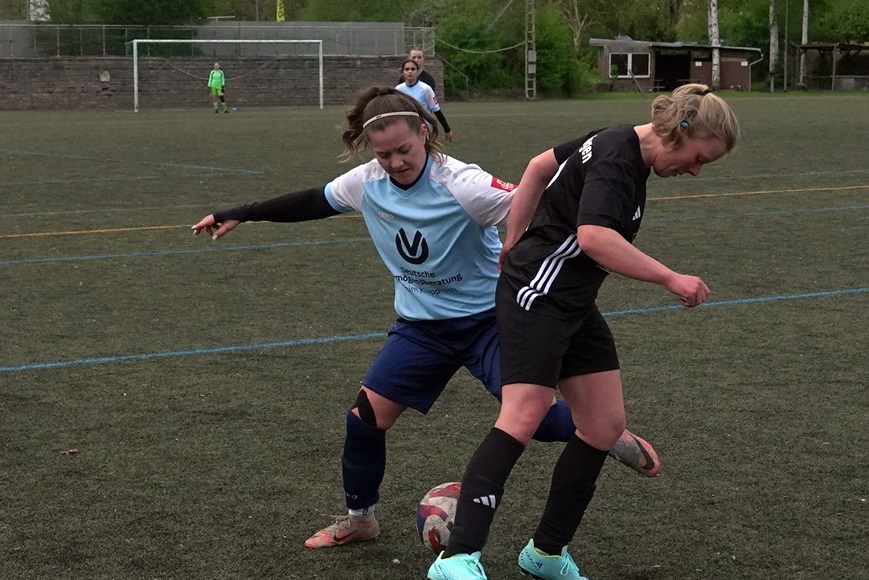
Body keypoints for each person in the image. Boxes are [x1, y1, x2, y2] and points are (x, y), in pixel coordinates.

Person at [190, 86, 661, 551]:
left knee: (532, 417)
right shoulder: (364, 183)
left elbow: (535, 201)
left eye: (404, 150)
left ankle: (604, 432)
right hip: (421, 329)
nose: (395, 162)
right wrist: (242, 213)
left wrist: (557, 234)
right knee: (364, 420)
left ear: (424, 132)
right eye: (383, 154)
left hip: (491, 321)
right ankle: (360, 520)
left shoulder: (463, 183)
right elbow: (311, 202)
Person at [426, 83, 741, 580]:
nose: (695, 171)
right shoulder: (617, 154)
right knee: (524, 412)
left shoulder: (620, 143)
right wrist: (670, 277)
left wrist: (512, 239)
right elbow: (595, 237)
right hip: (538, 293)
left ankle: (547, 552)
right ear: (680, 132)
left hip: (572, 299)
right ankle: (458, 556)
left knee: (603, 424)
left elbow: (537, 167)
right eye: (698, 158)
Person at [396, 60, 453, 142]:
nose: (410, 71)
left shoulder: (426, 89)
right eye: (407, 69)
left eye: (413, 69)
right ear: (402, 72)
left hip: (423, 128)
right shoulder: (398, 89)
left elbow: (436, 110)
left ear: (417, 72)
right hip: (406, 128)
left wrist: (447, 129)